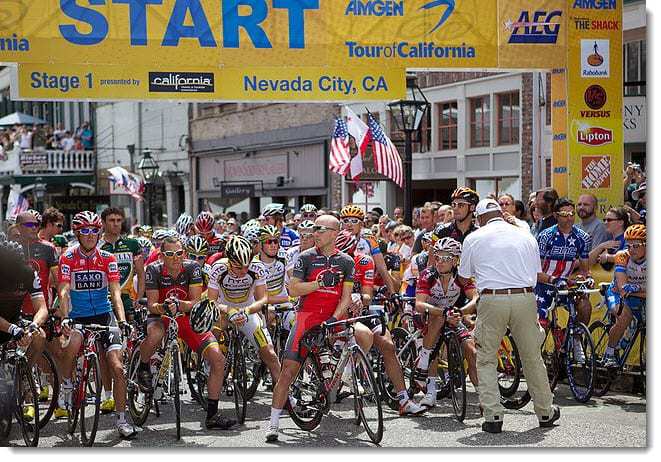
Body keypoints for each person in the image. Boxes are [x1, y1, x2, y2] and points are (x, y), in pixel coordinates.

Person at [457, 199, 558, 433]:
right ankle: (545, 411)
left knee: (486, 358)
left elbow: (463, 278)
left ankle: (493, 416)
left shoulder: (474, 237)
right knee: (533, 357)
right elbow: (536, 273)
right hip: (525, 297)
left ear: (480, 218)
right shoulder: (525, 235)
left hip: (492, 298)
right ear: (500, 214)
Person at [266, 215, 357, 442]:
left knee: (364, 337)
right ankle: (274, 423)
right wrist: (319, 283)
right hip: (306, 319)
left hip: (333, 319)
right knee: (288, 371)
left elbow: (346, 298)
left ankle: (347, 379)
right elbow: (294, 290)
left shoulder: (346, 261)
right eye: (314, 228)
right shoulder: (305, 258)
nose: (314, 233)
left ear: (335, 233)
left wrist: (333, 319)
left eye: (320, 229)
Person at [139, 236, 233, 429]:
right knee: (155, 335)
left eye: (179, 253)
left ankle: (212, 415)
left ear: (184, 253)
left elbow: (196, 301)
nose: (175, 258)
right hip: (161, 317)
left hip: (186, 318)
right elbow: (151, 305)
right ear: (162, 255)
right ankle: (143, 366)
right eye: (170, 254)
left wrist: (180, 305)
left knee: (218, 359)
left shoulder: (192, 268)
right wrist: (164, 307)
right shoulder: (153, 270)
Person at [57, 211, 136, 438]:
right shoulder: (68, 257)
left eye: (94, 230)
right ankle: (68, 385)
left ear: (99, 232)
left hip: (104, 315)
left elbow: (116, 293)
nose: (90, 235)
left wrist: (121, 321)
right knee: (71, 347)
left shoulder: (107, 258)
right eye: (85, 231)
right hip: (78, 317)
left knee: (118, 367)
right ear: (77, 233)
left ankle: (121, 420)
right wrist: (65, 317)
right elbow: (63, 290)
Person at [335, 230, 425, 417]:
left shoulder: (365, 261)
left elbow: (368, 294)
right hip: (335, 311)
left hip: (361, 309)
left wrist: (360, 297)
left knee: (388, 344)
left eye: (349, 253)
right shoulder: (328, 263)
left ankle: (403, 399)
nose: (345, 259)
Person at [414, 237, 478, 408]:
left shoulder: (461, 277)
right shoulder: (428, 275)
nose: (440, 262)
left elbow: (476, 298)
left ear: (456, 260)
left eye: (446, 258)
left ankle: (483, 394)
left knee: (472, 351)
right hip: (429, 314)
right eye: (437, 257)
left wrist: (462, 311)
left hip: (452, 315)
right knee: (438, 319)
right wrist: (443, 311)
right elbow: (419, 304)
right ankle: (430, 389)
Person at [0, 239, 49, 423]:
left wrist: (32, 326)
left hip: (14, 319)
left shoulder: (28, 273)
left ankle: (24, 375)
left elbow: (42, 308)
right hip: (4, 323)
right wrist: (13, 330)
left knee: (39, 336)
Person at [535, 198, 593, 350]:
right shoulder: (545, 236)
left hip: (564, 285)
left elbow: (585, 270)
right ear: (555, 215)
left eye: (572, 214)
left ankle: (574, 339)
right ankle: (534, 355)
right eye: (564, 214)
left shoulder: (583, 238)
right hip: (544, 285)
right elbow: (535, 271)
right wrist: (553, 279)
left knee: (585, 306)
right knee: (542, 325)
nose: (569, 217)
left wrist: (586, 278)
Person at [601, 225, 646, 368]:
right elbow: (622, 289)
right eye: (629, 245)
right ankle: (609, 353)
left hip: (638, 293)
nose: (631, 249)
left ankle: (624, 343)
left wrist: (638, 288)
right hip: (616, 292)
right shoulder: (623, 256)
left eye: (636, 245)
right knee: (624, 316)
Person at [340, 204, 396, 296]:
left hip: (365, 286)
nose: (349, 224)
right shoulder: (336, 239)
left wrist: (393, 293)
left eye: (354, 221)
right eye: (346, 221)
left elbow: (381, 267)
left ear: (361, 224)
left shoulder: (369, 239)